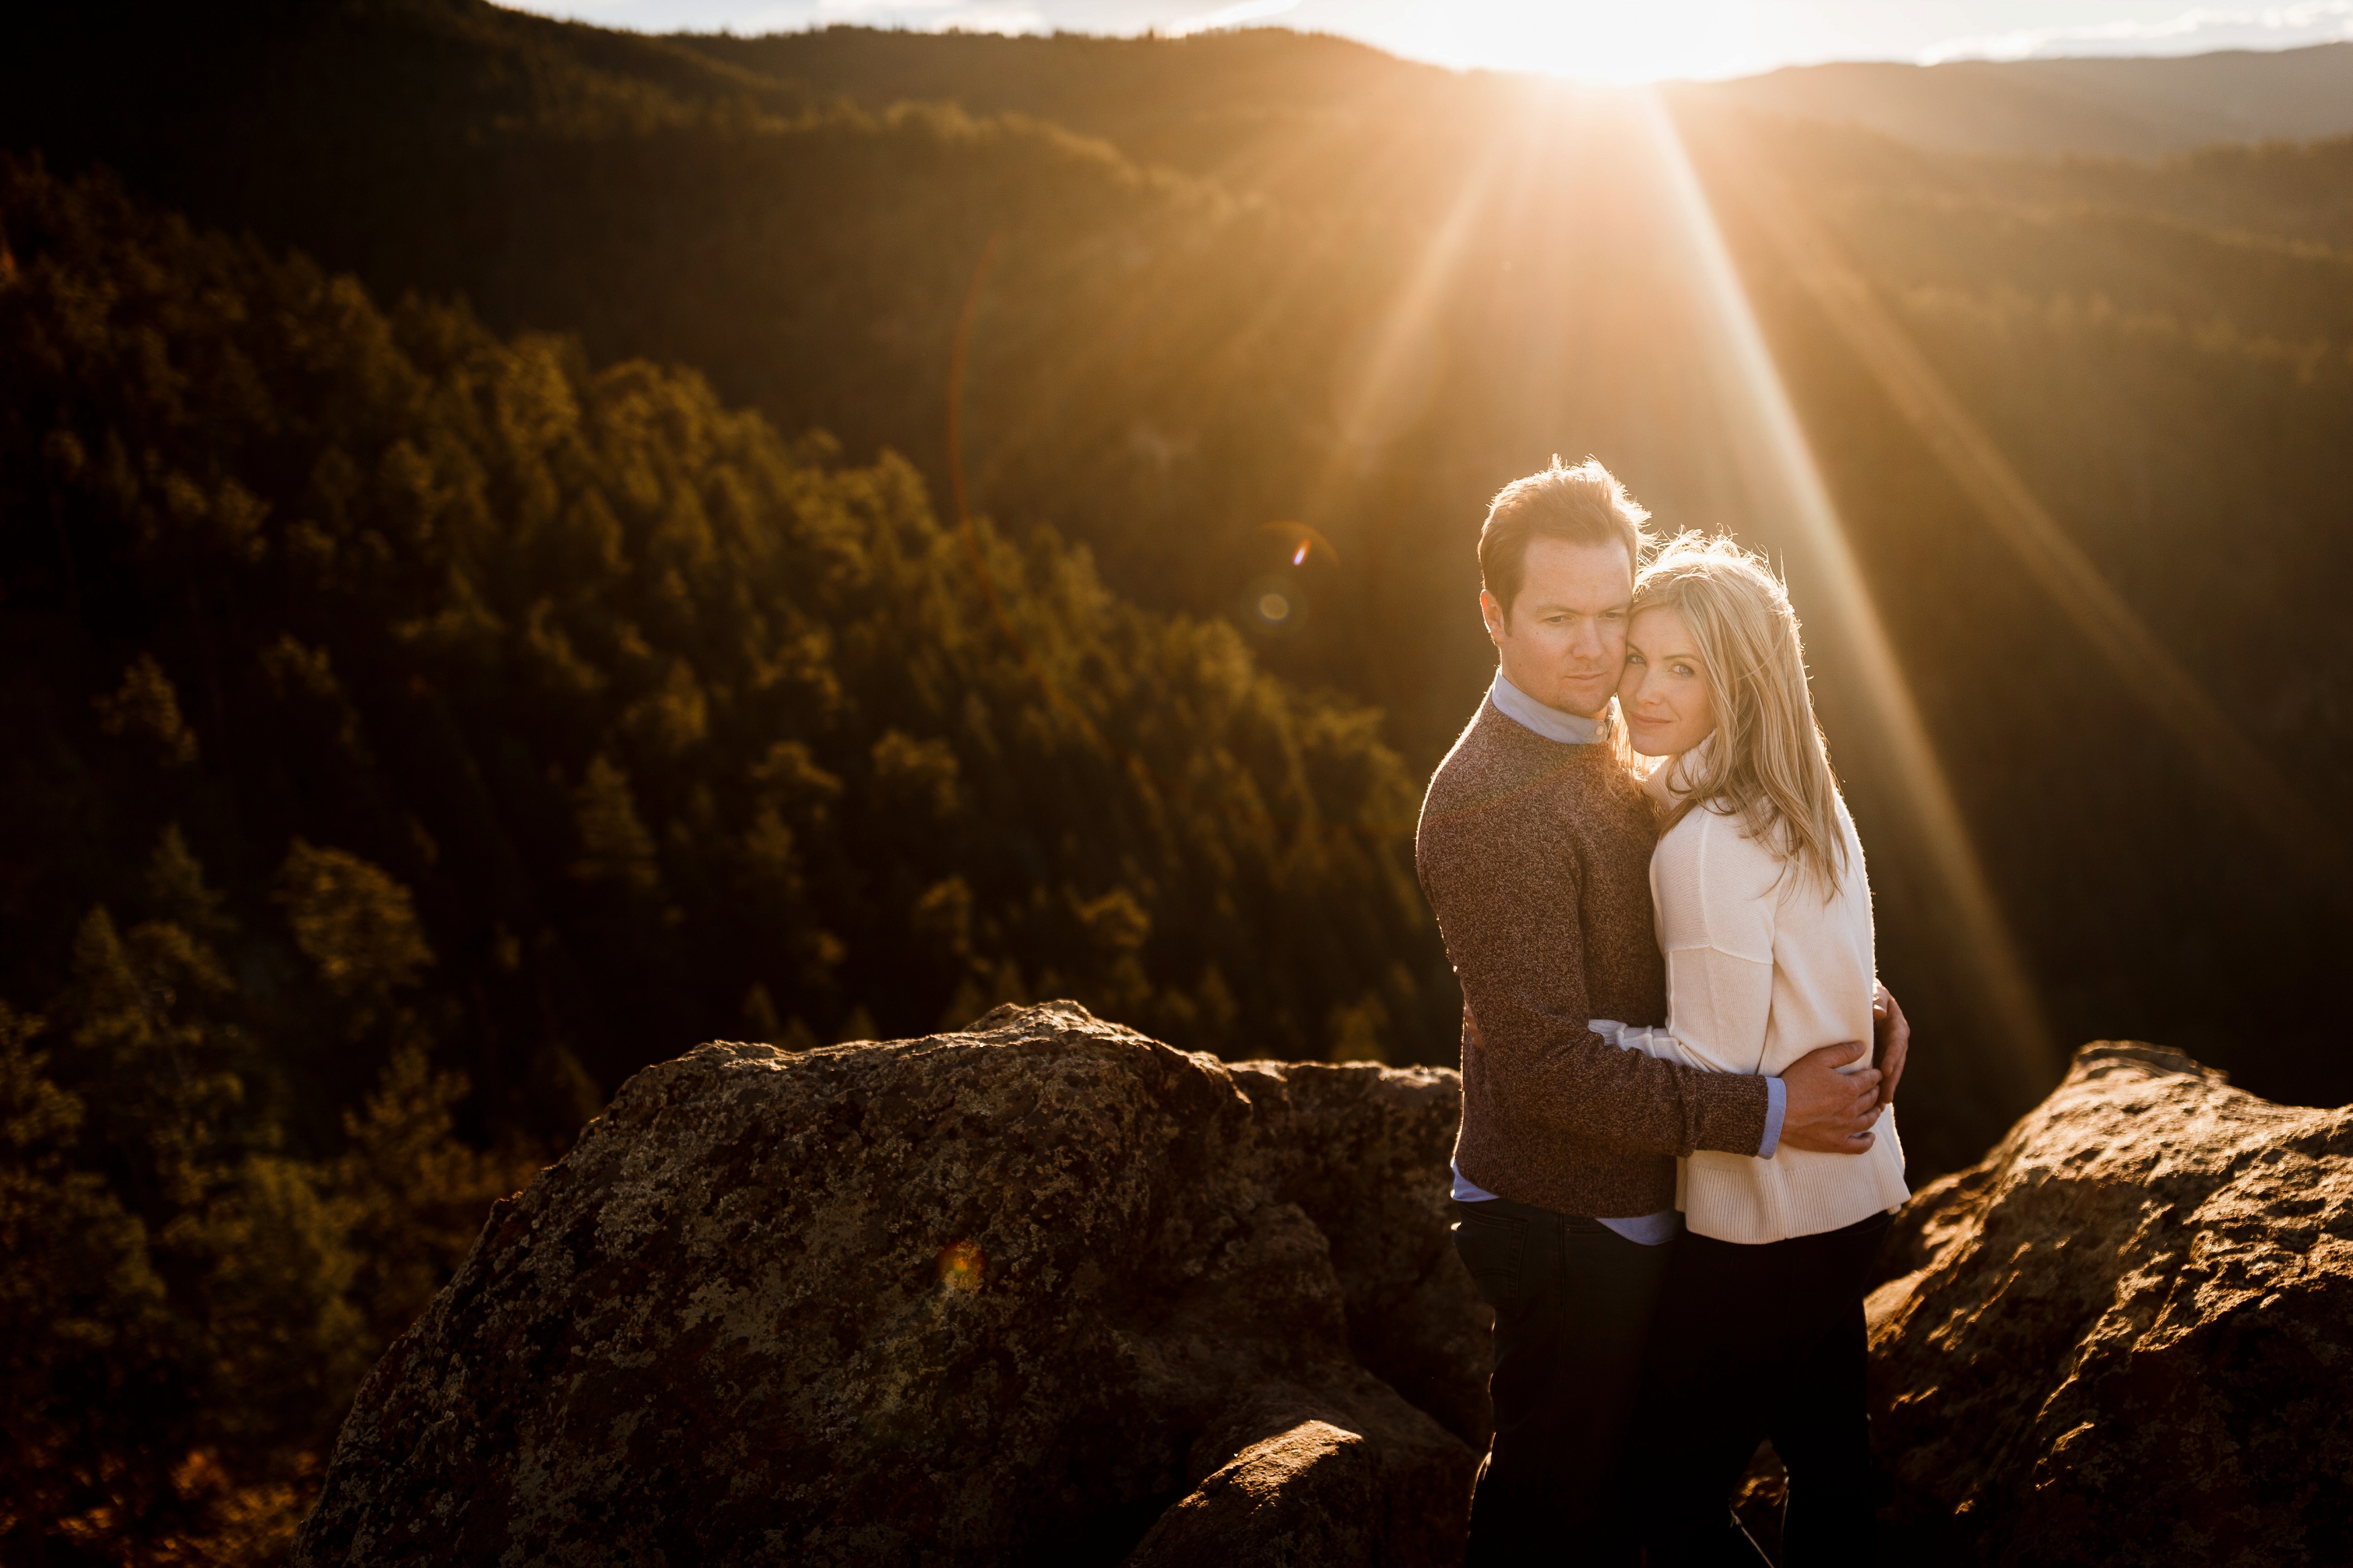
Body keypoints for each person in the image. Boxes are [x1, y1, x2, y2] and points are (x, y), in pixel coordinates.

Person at [1414, 457, 1901, 1565]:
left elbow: (1732, 927)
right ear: (1493, 616)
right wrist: (1779, 1107)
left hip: (1661, 1188)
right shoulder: (1492, 805)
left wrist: (1849, 1002)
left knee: (1665, 1493)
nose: (1597, 654)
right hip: (1568, 1211)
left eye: (1613, 618)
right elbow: (1547, 1066)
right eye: (1557, 618)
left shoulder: (1620, 749)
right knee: (1561, 1501)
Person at [1607, 535, 1909, 1565]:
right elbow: (1826, 969)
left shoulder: (1701, 845)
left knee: (1656, 1502)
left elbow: (1706, 1060)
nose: (1644, 691)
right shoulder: (1810, 805)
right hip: (1852, 1201)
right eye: (1638, 658)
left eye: (1683, 668)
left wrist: (1579, 1040)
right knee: (1832, 1469)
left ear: (1739, 684)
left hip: (1764, 1223)